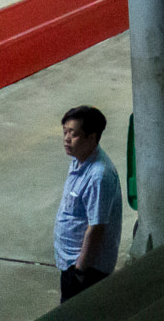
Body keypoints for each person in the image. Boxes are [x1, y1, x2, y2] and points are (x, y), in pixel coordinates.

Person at [55, 105, 124, 302]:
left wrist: (80, 271)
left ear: (91, 138)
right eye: (65, 131)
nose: (66, 138)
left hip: (86, 270)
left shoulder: (98, 176)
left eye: (74, 134)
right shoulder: (79, 160)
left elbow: (96, 228)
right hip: (71, 263)